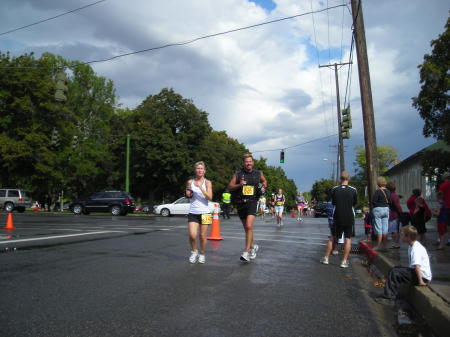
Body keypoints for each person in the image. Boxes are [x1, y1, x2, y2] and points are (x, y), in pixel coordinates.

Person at [376, 225, 431, 304]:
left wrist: (420, 281)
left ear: (408, 237)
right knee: (394, 269)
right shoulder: (411, 245)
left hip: (422, 276)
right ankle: (388, 293)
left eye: (402, 235)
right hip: (417, 273)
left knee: (395, 273)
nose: (401, 237)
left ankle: (389, 298)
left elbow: (417, 266)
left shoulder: (416, 248)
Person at [228, 154, 267, 262]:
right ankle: (253, 247)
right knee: (247, 228)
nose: (248, 163)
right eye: (246, 162)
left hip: (252, 202)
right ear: (243, 163)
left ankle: (246, 252)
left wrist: (263, 188)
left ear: (253, 162)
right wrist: (239, 185)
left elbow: (264, 181)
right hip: (241, 203)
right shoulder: (238, 174)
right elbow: (230, 186)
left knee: (249, 226)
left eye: (250, 161)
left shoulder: (258, 173)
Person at [320, 171, 357, 268]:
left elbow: (334, 202)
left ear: (340, 179)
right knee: (348, 238)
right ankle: (344, 261)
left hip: (338, 216)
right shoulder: (353, 190)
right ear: (348, 179)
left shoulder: (335, 189)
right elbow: (354, 203)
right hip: (349, 216)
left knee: (332, 237)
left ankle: (326, 258)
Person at [185, 161, 213, 264]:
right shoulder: (190, 182)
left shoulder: (207, 182)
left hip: (205, 213)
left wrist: (201, 188)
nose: (200, 170)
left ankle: (202, 253)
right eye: (198, 168)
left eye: (201, 168)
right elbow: (188, 194)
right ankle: (194, 251)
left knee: (202, 236)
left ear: (204, 171)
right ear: (195, 170)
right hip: (193, 212)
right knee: (192, 235)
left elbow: (210, 197)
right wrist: (188, 193)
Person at [372, 177, 391, 250]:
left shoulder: (377, 191)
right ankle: (385, 246)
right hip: (386, 209)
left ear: (378, 183)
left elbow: (374, 201)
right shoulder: (388, 191)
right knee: (385, 229)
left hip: (378, 209)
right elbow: (390, 201)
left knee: (378, 228)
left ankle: (378, 245)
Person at [387, 181, 403, 249]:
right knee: (394, 230)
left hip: (394, 215)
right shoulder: (394, 195)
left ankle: (396, 243)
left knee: (394, 230)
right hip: (394, 214)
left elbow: (397, 205)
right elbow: (397, 205)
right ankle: (396, 243)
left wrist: (400, 212)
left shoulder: (391, 195)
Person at [438, 173, 450, 246]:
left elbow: (440, 195)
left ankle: (441, 240)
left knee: (446, 224)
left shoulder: (443, 185)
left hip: (446, 207)